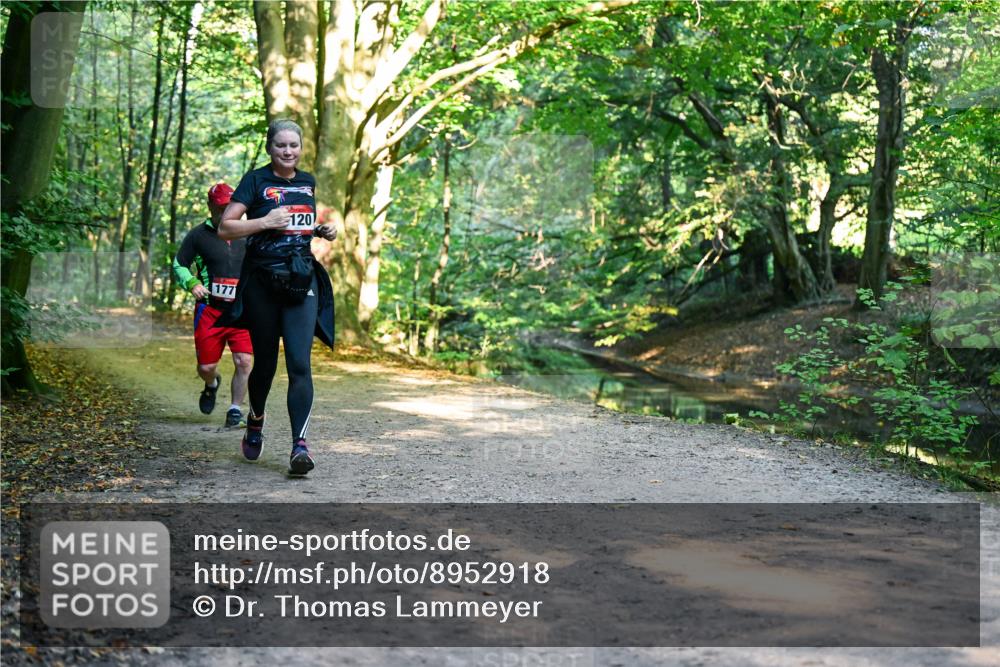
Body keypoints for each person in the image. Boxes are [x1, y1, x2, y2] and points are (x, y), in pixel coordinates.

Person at [216, 119, 336, 475]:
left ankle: (299, 446)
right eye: (281, 146)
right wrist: (265, 222)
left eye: (293, 146)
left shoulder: (307, 181)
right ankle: (255, 419)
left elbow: (298, 225)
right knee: (265, 364)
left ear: (301, 149)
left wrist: (321, 230)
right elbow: (227, 226)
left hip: (300, 280)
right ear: (270, 148)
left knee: (300, 363)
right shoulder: (255, 180)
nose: (288, 152)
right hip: (263, 283)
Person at [173, 183, 253, 428]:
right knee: (206, 366)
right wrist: (192, 282)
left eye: (229, 206)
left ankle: (235, 409)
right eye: (220, 207)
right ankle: (211, 384)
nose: (225, 211)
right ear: (210, 207)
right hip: (209, 310)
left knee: (244, 361)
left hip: (242, 311)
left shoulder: (248, 232)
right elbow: (179, 264)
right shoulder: (198, 235)